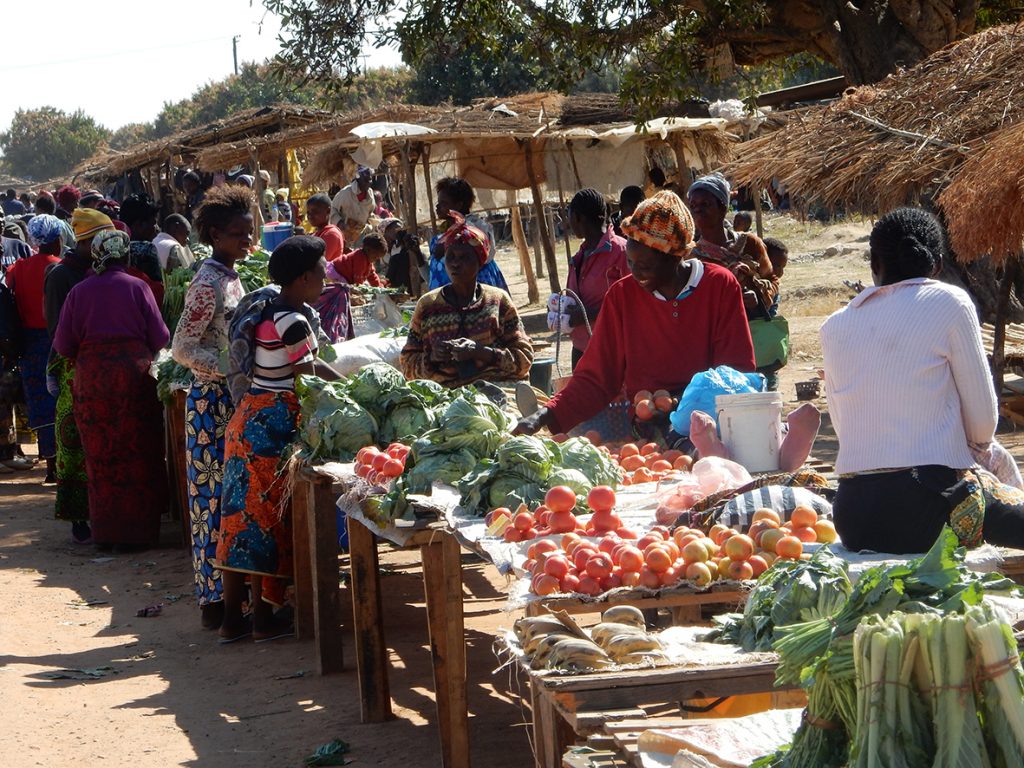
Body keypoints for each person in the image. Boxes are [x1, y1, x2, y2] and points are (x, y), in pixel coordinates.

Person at [821, 207, 1024, 554]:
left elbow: (846, 429)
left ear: (874, 264)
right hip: (928, 508)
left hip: (854, 517)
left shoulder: (834, 326)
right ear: (938, 265)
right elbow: (983, 425)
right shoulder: (949, 302)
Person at [514, 191, 755, 438]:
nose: (636, 274)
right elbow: (596, 378)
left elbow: (735, 373)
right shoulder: (621, 295)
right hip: (648, 429)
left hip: (713, 424)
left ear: (675, 256)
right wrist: (544, 415)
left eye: (645, 266)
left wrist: (678, 404)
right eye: (630, 263)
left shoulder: (719, 285)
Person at [216, 235, 341, 644]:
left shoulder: (268, 308)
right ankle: (263, 620)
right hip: (271, 423)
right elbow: (308, 372)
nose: (325, 278)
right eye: (321, 271)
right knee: (266, 520)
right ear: (303, 278)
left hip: (248, 417)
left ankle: (232, 620)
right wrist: (350, 388)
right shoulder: (293, 320)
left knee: (239, 519)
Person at [52, 229, 169, 549]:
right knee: (139, 451)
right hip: (134, 379)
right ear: (125, 255)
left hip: (92, 381)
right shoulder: (138, 287)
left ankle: (107, 535)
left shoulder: (79, 292)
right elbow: (160, 337)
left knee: (100, 455)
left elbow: (63, 345)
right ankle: (139, 534)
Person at [171, 186, 251, 629]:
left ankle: (236, 597)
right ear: (216, 235)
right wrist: (227, 367)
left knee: (231, 501)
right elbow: (182, 348)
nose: (247, 240)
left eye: (249, 232)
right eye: (239, 234)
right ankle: (215, 602)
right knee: (211, 503)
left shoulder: (231, 276)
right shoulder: (206, 285)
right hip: (210, 405)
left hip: (231, 399)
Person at [401, 213, 532, 388]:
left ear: (479, 262)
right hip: (448, 396)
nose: (455, 263)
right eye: (451, 257)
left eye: (464, 257)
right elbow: (407, 366)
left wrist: (481, 352)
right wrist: (432, 358)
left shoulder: (498, 301)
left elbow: (524, 360)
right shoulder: (427, 306)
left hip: (498, 389)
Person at [44, 209, 113, 542]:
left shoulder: (101, 272)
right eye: (99, 240)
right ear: (84, 242)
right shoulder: (61, 276)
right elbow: (56, 330)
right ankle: (79, 518)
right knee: (75, 445)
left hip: (101, 370)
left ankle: (106, 514)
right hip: (73, 368)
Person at [7, 215, 62, 482]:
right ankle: (62, 462)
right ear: (57, 239)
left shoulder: (18, 268)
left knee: (40, 402)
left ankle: (49, 462)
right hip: (56, 341)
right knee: (60, 400)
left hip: (29, 344)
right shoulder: (59, 267)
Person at [688, 174, 777, 318]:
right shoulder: (692, 257)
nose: (698, 210)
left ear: (723, 208)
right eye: (693, 206)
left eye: (705, 204)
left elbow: (772, 279)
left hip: (754, 327)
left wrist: (759, 295)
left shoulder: (750, 243)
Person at [564, 188, 628, 370]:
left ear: (578, 217)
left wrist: (587, 315)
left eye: (569, 216)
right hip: (581, 349)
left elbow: (635, 305)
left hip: (614, 351)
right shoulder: (579, 258)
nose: (568, 222)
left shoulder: (621, 252)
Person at [428, 177, 510, 294]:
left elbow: (485, 255)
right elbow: (435, 273)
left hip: (473, 292)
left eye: (443, 203)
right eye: (438, 202)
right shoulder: (443, 235)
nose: (437, 206)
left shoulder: (474, 231)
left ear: (459, 205)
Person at [119, 194, 164, 284]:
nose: (157, 229)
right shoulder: (147, 249)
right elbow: (157, 286)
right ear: (139, 225)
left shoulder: (114, 248)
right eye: (154, 224)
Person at [330, 166, 375, 245]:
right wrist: (340, 223)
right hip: (343, 234)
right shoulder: (345, 193)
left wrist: (372, 222)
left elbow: (370, 211)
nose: (368, 182)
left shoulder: (370, 195)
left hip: (360, 236)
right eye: (365, 180)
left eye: (370, 180)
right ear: (358, 178)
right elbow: (332, 209)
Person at [380, 217, 425, 296]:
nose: (397, 230)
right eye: (394, 228)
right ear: (386, 231)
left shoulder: (400, 253)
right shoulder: (382, 250)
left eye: (399, 228)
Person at [306, 193, 345, 262]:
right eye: (308, 212)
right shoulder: (317, 233)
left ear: (328, 211)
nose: (310, 216)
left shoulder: (332, 234)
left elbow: (316, 263)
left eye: (315, 212)